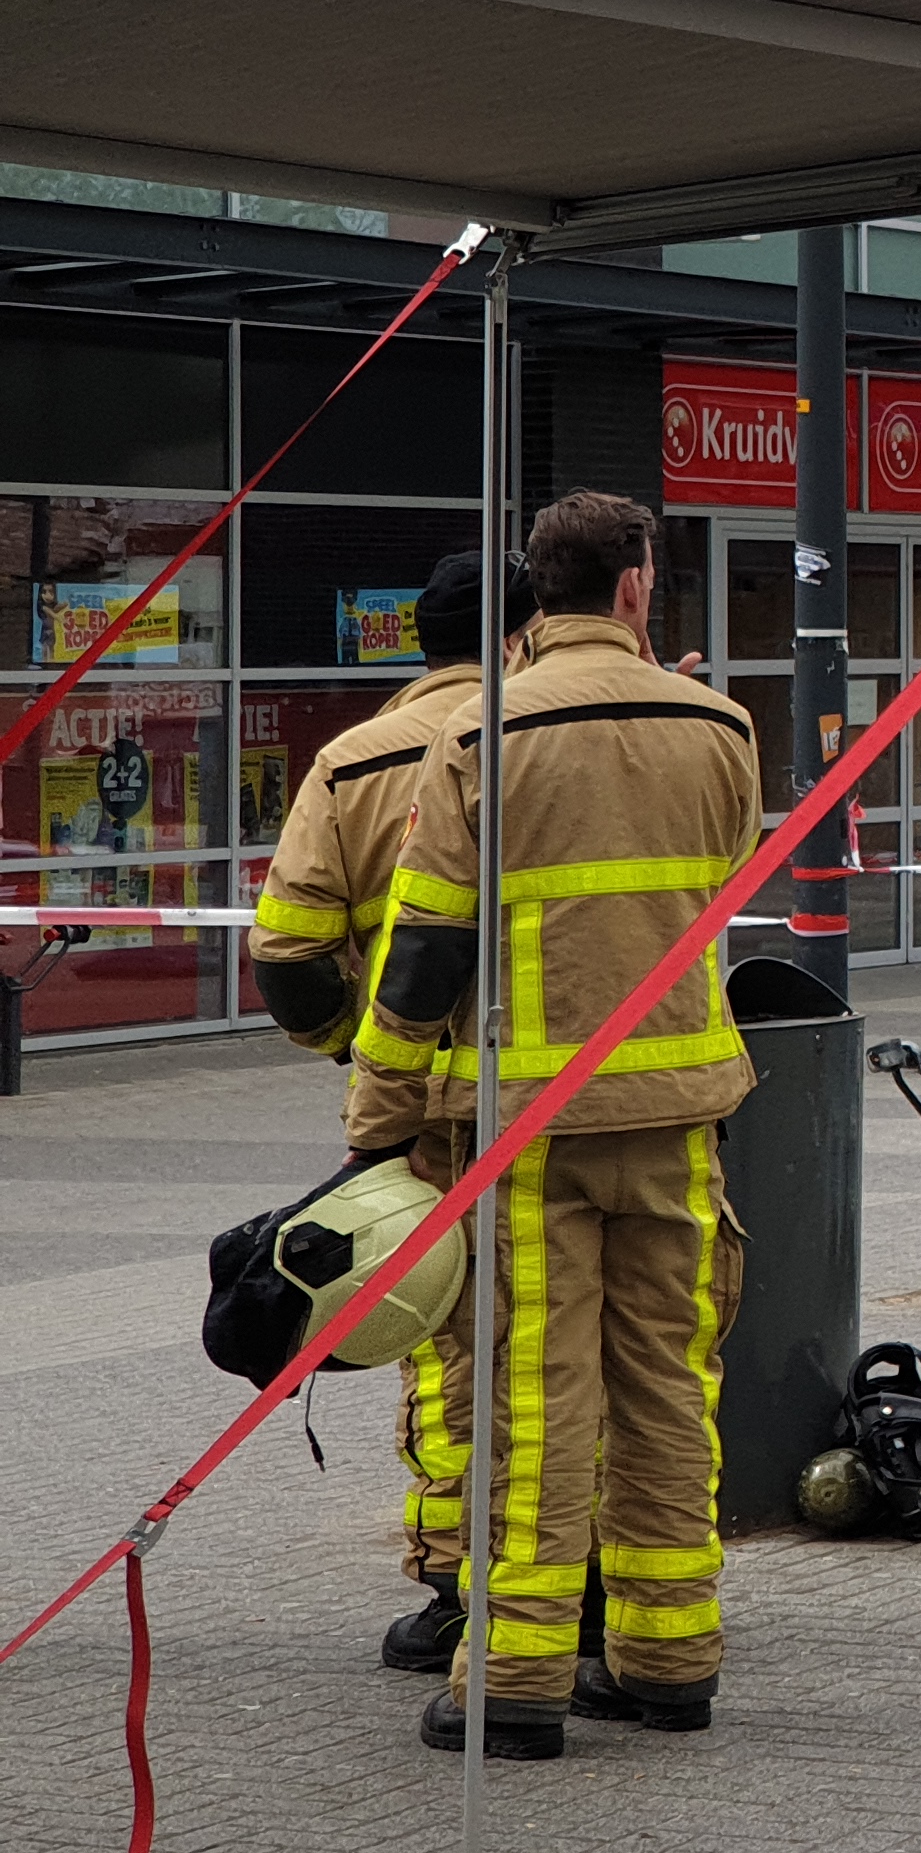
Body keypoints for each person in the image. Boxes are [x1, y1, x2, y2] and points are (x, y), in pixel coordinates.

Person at [355, 492, 760, 1760]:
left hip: (529, 1126)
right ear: (638, 588)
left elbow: (423, 950)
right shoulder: (723, 725)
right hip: (683, 1117)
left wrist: (381, 1121)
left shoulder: (482, 735)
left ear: (540, 591)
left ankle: (520, 1680)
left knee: (535, 1399)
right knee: (671, 1389)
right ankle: (669, 1659)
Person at [248, 545, 537, 1675]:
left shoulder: (350, 762)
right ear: (521, 636)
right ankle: (567, 1583)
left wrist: (366, 1058)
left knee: (445, 1347)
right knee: (568, 1351)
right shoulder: (539, 736)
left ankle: (455, 1585)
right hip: (575, 1096)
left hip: (420, 1115)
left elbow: (287, 953)